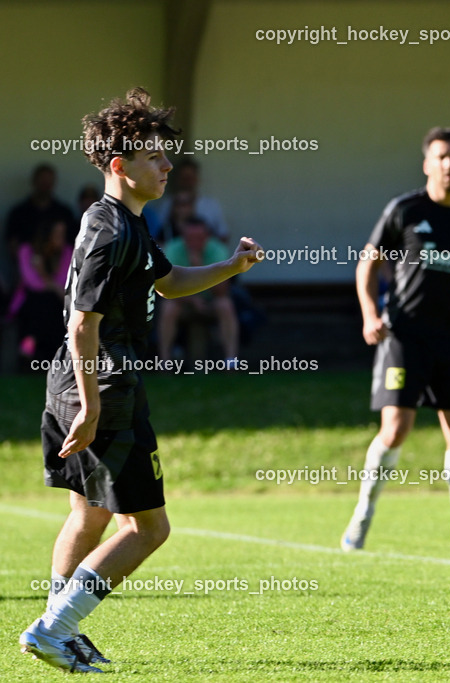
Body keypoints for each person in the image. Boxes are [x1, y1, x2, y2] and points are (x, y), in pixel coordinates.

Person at [18, 87, 263, 674]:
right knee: (150, 527)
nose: (168, 166)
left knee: (89, 515)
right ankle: (54, 628)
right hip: (105, 385)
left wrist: (230, 267)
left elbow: (168, 280)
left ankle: (59, 631)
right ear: (120, 166)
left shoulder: (122, 223)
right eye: (155, 157)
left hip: (80, 383)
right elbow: (82, 323)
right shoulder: (112, 232)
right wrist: (94, 406)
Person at [342, 127, 450, 553]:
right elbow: (368, 264)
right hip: (404, 336)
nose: (448, 164)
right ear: (427, 164)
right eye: (440, 156)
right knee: (396, 427)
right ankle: (361, 518)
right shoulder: (404, 210)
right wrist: (369, 315)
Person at [158, 216, 240, 364]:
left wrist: (201, 266)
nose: (195, 243)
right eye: (190, 238)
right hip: (182, 301)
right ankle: (164, 361)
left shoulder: (217, 249)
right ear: (183, 237)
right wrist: (192, 300)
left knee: (225, 305)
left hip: (210, 301)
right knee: (168, 308)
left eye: (199, 238)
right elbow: (165, 286)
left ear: (207, 237)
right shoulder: (173, 248)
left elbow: (223, 291)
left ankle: (231, 361)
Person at [9, 217, 73, 364]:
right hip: (30, 304)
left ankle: (31, 341)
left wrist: (43, 273)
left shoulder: (67, 251)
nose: (61, 239)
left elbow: (64, 286)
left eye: (63, 235)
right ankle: (36, 346)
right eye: (57, 235)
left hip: (58, 306)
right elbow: (33, 284)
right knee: (42, 300)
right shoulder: (27, 250)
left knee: (49, 301)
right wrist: (52, 284)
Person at [155, 159, 228, 242]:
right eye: (183, 178)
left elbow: (223, 235)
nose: (187, 181)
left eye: (190, 177)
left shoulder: (211, 204)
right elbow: (158, 235)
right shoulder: (167, 204)